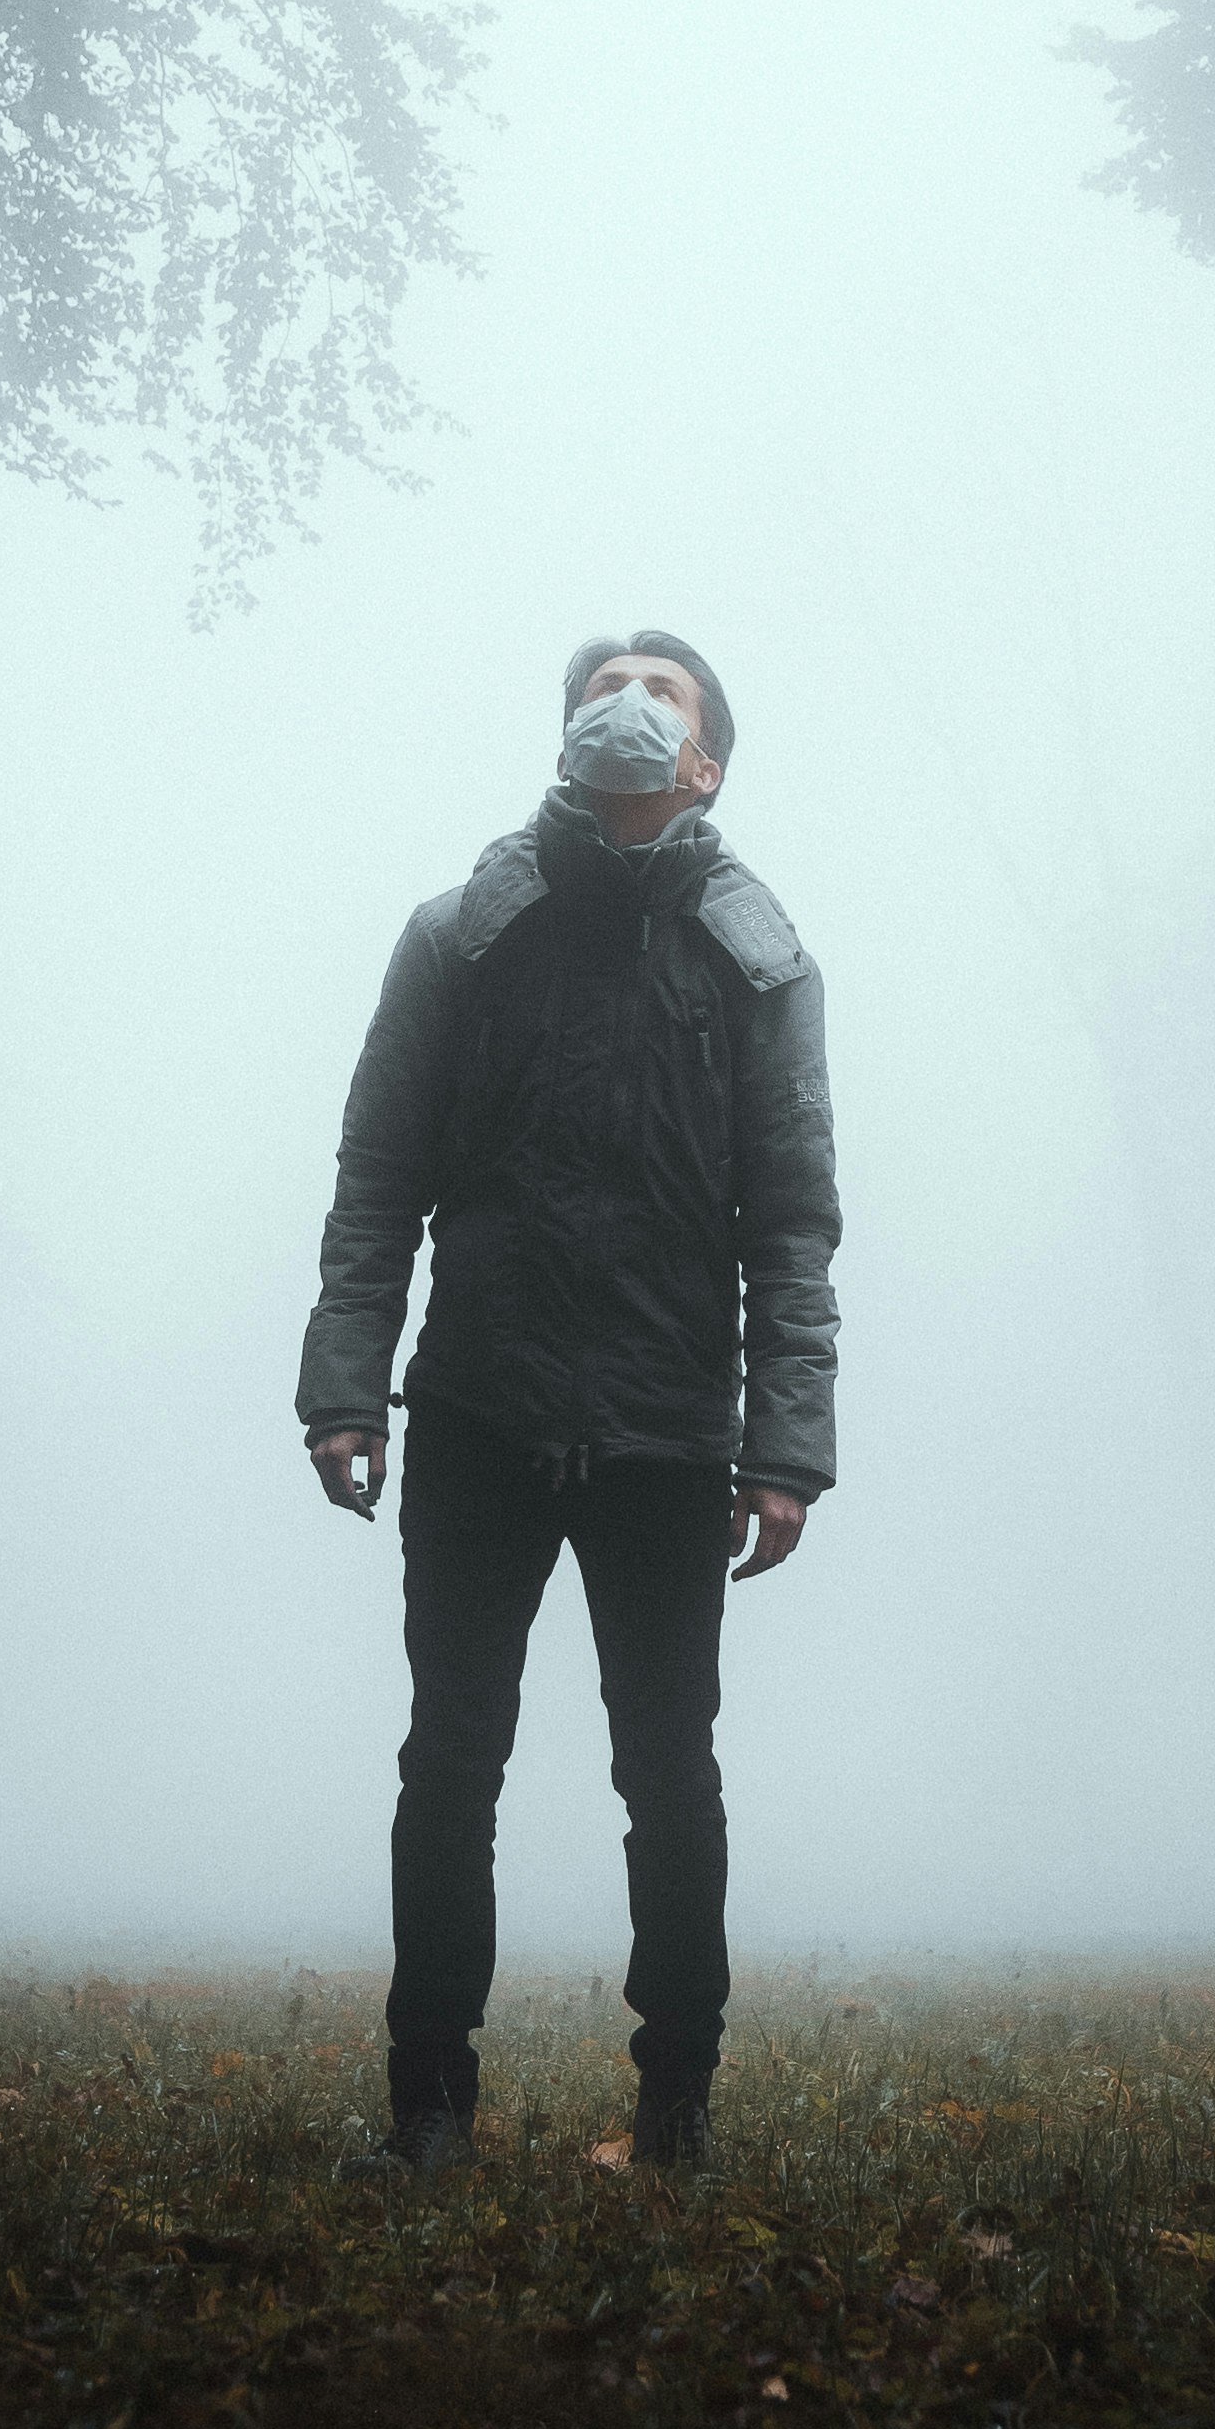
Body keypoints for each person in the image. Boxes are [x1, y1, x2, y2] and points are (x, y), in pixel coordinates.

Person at [297, 627, 840, 2174]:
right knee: (450, 1758)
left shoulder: (760, 959)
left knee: (669, 1776)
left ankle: (677, 2116)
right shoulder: (461, 931)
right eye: (606, 683)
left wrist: (784, 1445)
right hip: (477, 1407)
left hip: (670, 1433)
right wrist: (347, 1387)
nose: (628, 698)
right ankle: (427, 2112)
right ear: (564, 733)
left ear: (706, 759)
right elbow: (377, 1176)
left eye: (663, 688)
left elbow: (790, 1222)